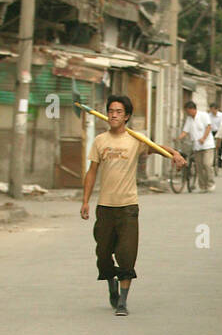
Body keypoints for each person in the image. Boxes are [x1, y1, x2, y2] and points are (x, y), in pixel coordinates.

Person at [80, 94, 187, 316]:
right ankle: (111, 282)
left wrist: (175, 154)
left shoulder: (136, 140)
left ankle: (122, 302)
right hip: (105, 206)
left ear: (127, 116)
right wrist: (85, 201)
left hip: (128, 206)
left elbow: (157, 148)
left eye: (119, 112)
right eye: (111, 111)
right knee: (103, 253)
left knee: (127, 254)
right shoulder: (100, 141)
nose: (113, 115)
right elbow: (91, 172)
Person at [175, 101, 215, 192]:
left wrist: (203, 138)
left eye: (188, 111)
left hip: (207, 145)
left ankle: (210, 183)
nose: (187, 113)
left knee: (207, 164)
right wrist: (178, 138)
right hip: (196, 146)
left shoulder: (203, 115)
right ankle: (202, 186)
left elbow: (208, 127)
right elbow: (185, 131)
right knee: (199, 167)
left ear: (192, 109)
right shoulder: (189, 119)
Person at [208, 102, 222, 168]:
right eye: (211, 109)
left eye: (213, 109)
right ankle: (212, 162)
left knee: (220, 146)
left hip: (219, 131)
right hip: (211, 132)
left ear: (217, 109)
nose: (212, 111)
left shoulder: (221, 115)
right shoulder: (208, 116)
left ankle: (220, 162)